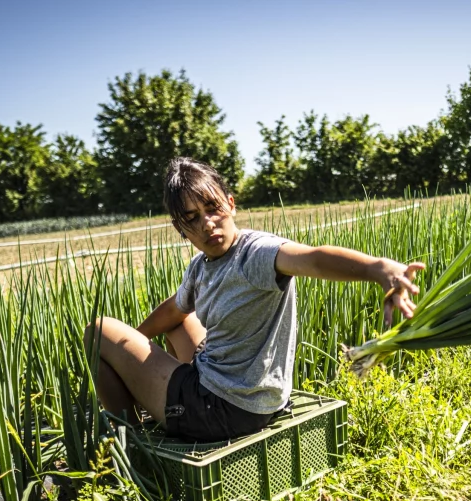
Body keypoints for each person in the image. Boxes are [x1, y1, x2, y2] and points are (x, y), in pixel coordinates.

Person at [84, 157, 425, 442]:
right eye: (192, 218)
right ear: (181, 230)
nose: (208, 224)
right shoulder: (201, 267)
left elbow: (313, 259)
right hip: (251, 400)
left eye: (213, 208)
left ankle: (131, 443)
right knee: (179, 321)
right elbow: (175, 309)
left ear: (231, 204)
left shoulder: (257, 253)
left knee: (98, 331)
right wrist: (132, 347)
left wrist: (378, 268)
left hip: (221, 409)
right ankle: (169, 407)